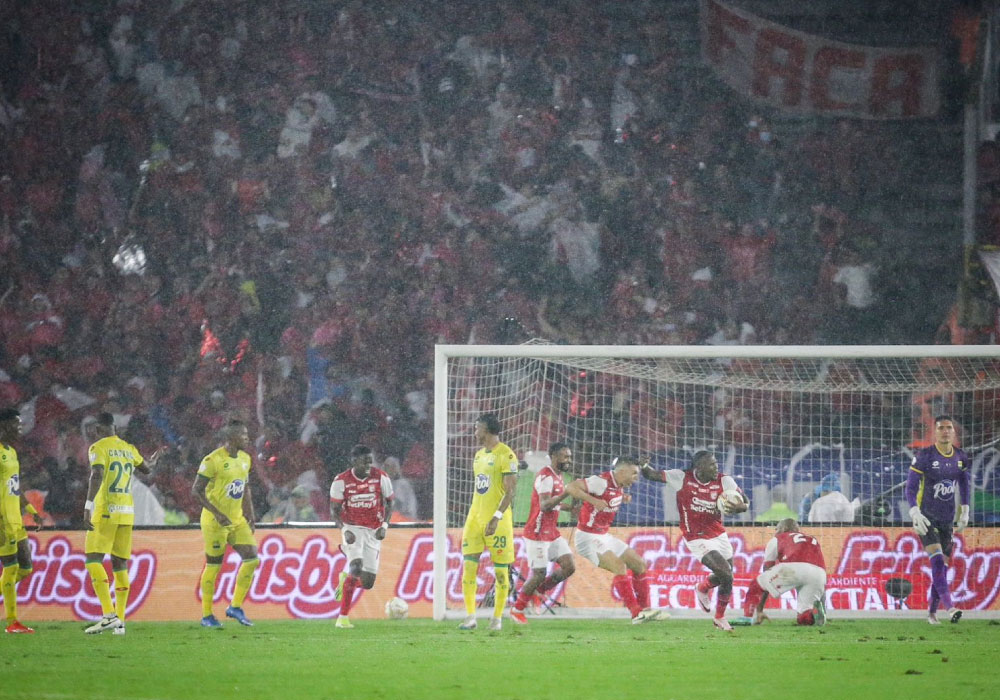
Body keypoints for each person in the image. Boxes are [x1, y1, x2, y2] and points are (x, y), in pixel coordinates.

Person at [641, 450, 748, 630]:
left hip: (719, 534)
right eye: (711, 464)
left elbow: (744, 502)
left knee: (726, 576)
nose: (716, 467)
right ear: (699, 468)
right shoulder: (682, 477)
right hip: (696, 536)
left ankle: (702, 587)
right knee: (726, 574)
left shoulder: (725, 481)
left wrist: (740, 507)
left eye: (716, 463)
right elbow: (652, 475)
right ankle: (720, 618)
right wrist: (643, 465)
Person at [83, 412, 161, 635]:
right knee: (119, 565)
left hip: (106, 510)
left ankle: (108, 615)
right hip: (126, 512)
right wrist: (154, 459)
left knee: (93, 559)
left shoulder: (98, 448)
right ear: (114, 427)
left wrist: (88, 506)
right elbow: (146, 468)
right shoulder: (128, 448)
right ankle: (121, 621)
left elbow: (97, 474)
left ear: (99, 429)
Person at [566, 456, 663, 624]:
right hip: (587, 537)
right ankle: (636, 613)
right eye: (633, 474)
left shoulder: (618, 485)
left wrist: (622, 498)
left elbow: (610, 497)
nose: (636, 478)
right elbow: (571, 487)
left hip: (603, 535)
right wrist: (593, 500)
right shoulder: (600, 481)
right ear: (622, 471)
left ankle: (646, 610)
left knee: (639, 564)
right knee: (619, 566)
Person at [192, 418, 259, 629]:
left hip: (237, 519)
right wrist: (217, 513)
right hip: (215, 522)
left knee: (252, 559)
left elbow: (245, 488)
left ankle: (235, 607)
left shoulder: (246, 459)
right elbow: (196, 490)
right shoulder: (212, 460)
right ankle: (207, 615)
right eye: (243, 435)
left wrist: (250, 514)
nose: (247, 438)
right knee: (214, 566)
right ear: (231, 438)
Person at [906, 415, 970, 624]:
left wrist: (965, 510)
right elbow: (911, 487)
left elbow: (964, 485)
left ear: (954, 432)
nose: (945, 431)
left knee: (941, 568)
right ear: (935, 431)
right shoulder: (924, 456)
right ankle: (950, 608)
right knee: (936, 562)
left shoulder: (960, 457)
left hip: (946, 521)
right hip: (926, 519)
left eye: (948, 428)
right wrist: (914, 511)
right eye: (941, 428)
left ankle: (932, 613)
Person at [458, 414, 518, 631]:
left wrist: (496, 517)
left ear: (488, 430)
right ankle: (470, 616)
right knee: (468, 568)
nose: (475, 432)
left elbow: (510, 492)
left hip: (498, 521)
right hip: (475, 518)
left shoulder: (506, 455)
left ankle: (497, 618)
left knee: (502, 572)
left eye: (477, 428)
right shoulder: (478, 455)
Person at [510, 442, 577, 624]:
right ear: (554, 456)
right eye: (565, 456)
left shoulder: (558, 476)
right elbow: (545, 504)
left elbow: (553, 502)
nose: (568, 460)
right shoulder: (545, 476)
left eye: (569, 456)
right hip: (537, 532)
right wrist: (566, 495)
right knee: (538, 573)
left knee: (569, 566)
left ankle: (539, 591)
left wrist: (569, 508)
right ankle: (517, 609)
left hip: (551, 532)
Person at [330, 444, 394, 629]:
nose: (368, 465)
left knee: (367, 583)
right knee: (356, 567)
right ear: (353, 461)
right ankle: (342, 618)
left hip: (374, 531)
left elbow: (389, 503)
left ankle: (345, 580)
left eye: (370, 461)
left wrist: (385, 526)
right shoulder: (341, 481)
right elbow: (334, 510)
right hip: (353, 528)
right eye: (364, 462)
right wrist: (345, 530)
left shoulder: (381, 477)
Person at [0, 407, 41, 634]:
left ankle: (11, 614)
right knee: (11, 566)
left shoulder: (12, 452)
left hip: (16, 520)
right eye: (16, 424)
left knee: (26, 567)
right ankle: (12, 622)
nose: (20, 428)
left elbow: (15, 485)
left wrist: (31, 510)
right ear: (4, 425)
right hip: (2, 520)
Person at [741, 518, 827, 626]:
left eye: (776, 528)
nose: (775, 531)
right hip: (819, 574)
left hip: (793, 568)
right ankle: (813, 614)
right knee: (804, 618)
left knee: (755, 585)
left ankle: (748, 618)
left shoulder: (778, 538)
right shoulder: (812, 539)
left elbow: (767, 572)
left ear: (784, 528)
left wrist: (760, 609)